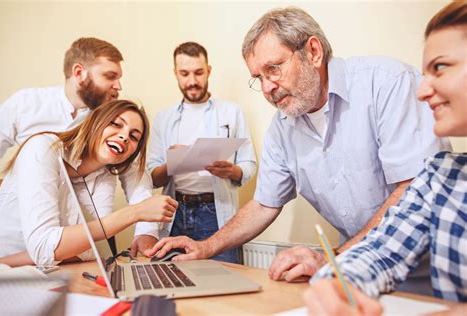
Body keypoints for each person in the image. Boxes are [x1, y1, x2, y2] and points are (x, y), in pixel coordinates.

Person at [148, 7, 451, 292]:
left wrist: (333, 258)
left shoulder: (386, 83)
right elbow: (264, 204)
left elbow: (414, 189)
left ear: (313, 52)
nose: (267, 87)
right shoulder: (283, 127)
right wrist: (206, 247)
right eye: (259, 78)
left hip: (431, 274)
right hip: (358, 273)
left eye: (273, 69)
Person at [304, 2, 467, 314]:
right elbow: (381, 251)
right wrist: (336, 284)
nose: (422, 91)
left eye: (441, 67)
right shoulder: (440, 177)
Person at [0, 37, 159, 254]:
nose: (118, 86)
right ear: (79, 73)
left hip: (75, 246)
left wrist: (146, 230)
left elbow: (136, 176)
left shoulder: (110, 123)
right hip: (18, 241)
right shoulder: (27, 104)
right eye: (110, 76)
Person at [0, 100, 178, 266]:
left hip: (51, 271)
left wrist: (64, 247)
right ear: (95, 122)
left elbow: (93, 249)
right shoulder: (42, 149)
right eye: (115, 124)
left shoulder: (104, 175)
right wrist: (136, 212)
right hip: (7, 274)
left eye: (134, 137)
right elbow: (44, 249)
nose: (124, 137)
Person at [133, 42, 257, 263]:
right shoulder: (163, 118)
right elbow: (152, 176)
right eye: (184, 73)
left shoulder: (232, 112)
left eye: (199, 73)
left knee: (225, 280)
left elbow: (249, 164)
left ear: (208, 70)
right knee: (175, 280)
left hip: (217, 215)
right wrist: (173, 164)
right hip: (175, 213)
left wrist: (232, 171)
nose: (192, 81)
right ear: (175, 74)